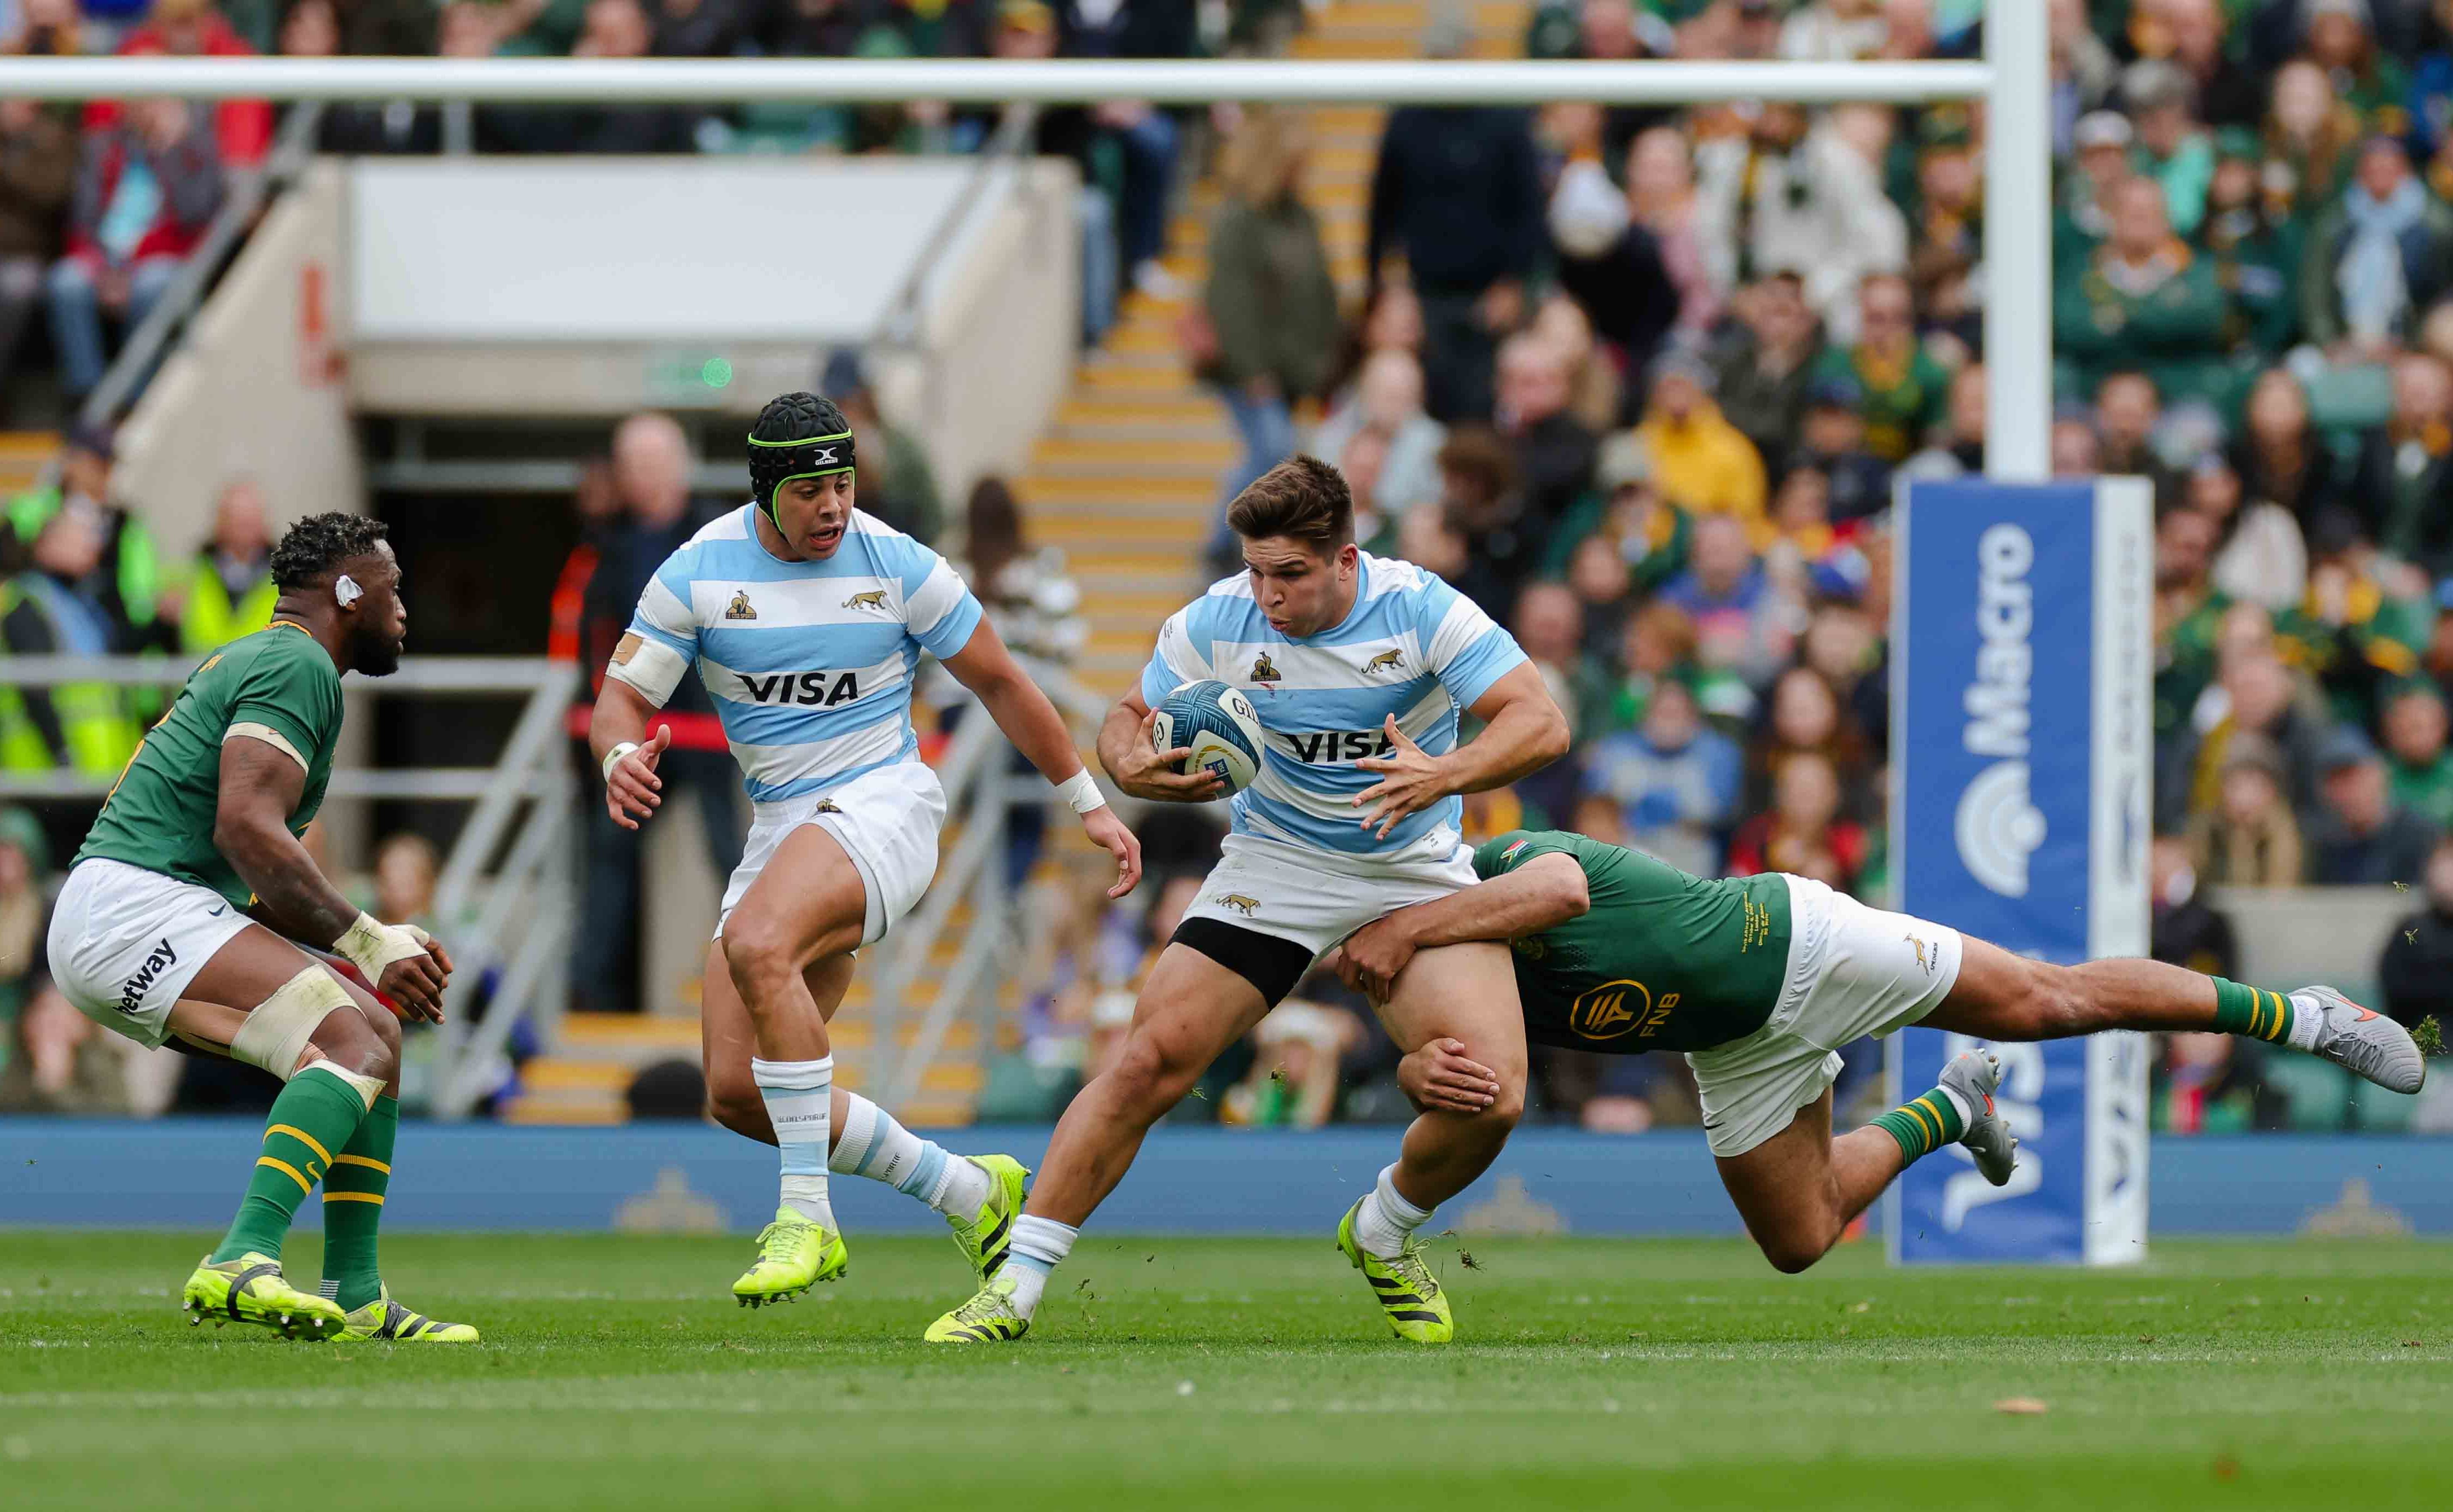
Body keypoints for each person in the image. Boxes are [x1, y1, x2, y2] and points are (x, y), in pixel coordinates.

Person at [923, 453, 1567, 1345]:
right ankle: (1015, 1283)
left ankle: (1381, 1231)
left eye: (1290, 573)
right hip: (1275, 865)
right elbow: (1123, 717)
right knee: (1148, 1058)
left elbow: (1540, 719)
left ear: (1346, 558)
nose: (1267, 593)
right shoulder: (1217, 619)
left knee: (1489, 1094)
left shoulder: (1421, 608)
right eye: (1256, 569)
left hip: (1409, 872)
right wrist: (1132, 762)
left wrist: (1442, 771)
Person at [589, 391, 1143, 1309]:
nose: (833, 506)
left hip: (885, 805)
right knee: (734, 1088)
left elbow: (1003, 680)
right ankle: (968, 1188)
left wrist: (1085, 801)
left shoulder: (896, 563)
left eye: (843, 483)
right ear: (766, 492)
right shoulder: (696, 572)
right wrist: (615, 753)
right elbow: (620, 699)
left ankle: (807, 1215)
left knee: (760, 942)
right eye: (811, 489)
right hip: (783, 829)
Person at [1337, 827, 2424, 1276]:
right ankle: (1949, 1111)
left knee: (2047, 1001)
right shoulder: (1433, 970)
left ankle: (2304, 1014)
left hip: (1799, 943)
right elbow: (1456, 1064)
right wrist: (1412, 1070)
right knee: (1801, 1236)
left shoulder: (1500, 861)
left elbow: (1563, 890)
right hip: (1729, 1044)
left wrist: (1407, 925)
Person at [43, 512, 476, 1342]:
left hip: (128, 912)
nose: (403, 611)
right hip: (141, 904)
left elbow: (252, 866)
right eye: (393, 590)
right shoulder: (296, 661)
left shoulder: (276, 660)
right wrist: (363, 939)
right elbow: (246, 830)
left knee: (371, 1036)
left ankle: (355, 1291)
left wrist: (371, 937)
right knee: (353, 1039)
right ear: (348, 592)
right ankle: (244, 1255)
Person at [173, 477, 276, 652]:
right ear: (219, 522)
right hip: (204, 675)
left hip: (263, 678)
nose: (242, 527)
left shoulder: (289, 582)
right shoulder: (191, 576)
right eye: (235, 519)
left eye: (249, 519)